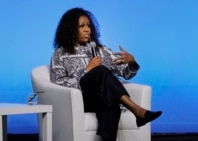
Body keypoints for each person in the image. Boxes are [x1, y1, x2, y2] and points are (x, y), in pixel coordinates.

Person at [50, 7, 162, 141]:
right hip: (80, 100)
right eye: (82, 26)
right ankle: (137, 110)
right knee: (101, 71)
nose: (87, 29)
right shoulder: (60, 54)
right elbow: (58, 82)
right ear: (70, 30)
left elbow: (124, 74)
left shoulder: (101, 51)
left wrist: (132, 63)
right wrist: (87, 70)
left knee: (110, 101)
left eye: (89, 26)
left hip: (101, 98)